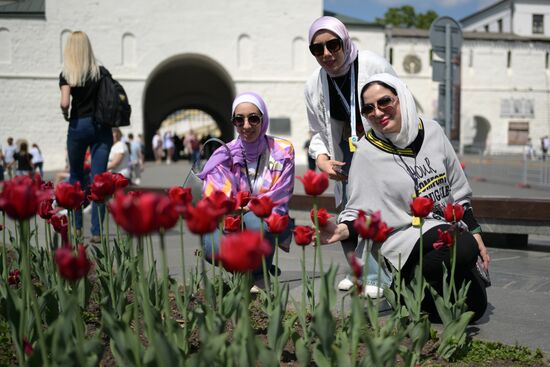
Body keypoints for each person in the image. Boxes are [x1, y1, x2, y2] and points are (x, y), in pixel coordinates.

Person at [320, 73, 489, 321]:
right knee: (461, 246)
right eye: (368, 108)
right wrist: (342, 230)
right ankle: (405, 277)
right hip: (402, 239)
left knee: (475, 308)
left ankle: (407, 293)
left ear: (401, 97)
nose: (377, 112)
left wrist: (475, 232)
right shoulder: (367, 151)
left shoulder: (432, 131)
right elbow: (358, 207)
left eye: (384, 101)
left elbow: (457, 186)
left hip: (446, 227)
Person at [305, 16, 397, 296]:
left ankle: (382, 274)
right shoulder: (314, 84)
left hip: (381, 144)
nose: (327, 54)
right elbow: (318, 132)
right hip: (345, 148)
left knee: (377, 206)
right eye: (317, 49)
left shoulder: (371, 64)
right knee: (347, 207)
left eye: (333, 45)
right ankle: (361, 271)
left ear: (344, 41)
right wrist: (321, 159)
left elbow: (398, 101)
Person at [198, 92, 295, 291]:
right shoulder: (223, 154)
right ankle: (244, 269)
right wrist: (238, 208)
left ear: (263, 118)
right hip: (229, 217)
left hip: (266, 214)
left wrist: (246, 205)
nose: (246, 125)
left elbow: (281, 192)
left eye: (253, 118)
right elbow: (216, 195)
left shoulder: (282, 151)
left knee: (256, 222)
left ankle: (260, 272)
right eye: (239, 119)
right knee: (212, 248)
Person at [59, 31, 113, 243]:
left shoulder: (67, 74)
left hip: (78, 125)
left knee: (76, 177)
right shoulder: (100, 72)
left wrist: (66, 114)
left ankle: (76, 228)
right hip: (101, 126)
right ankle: (97, 232)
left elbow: (65, 103)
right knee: (98, 180)